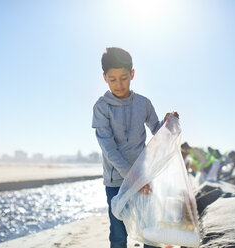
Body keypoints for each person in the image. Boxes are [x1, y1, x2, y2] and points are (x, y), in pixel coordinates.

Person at [92, 47, 178, 248]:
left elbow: (157, 132)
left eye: (123, 78)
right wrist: (132, 179)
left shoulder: (143, 103)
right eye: (112, 79)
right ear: (104, 78)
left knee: (150, 231)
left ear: (132, 74)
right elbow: (109, 148)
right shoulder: (101, 107)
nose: (119, 84)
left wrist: (167, 124)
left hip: (143, 178)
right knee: (119, 235)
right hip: (116, 183)